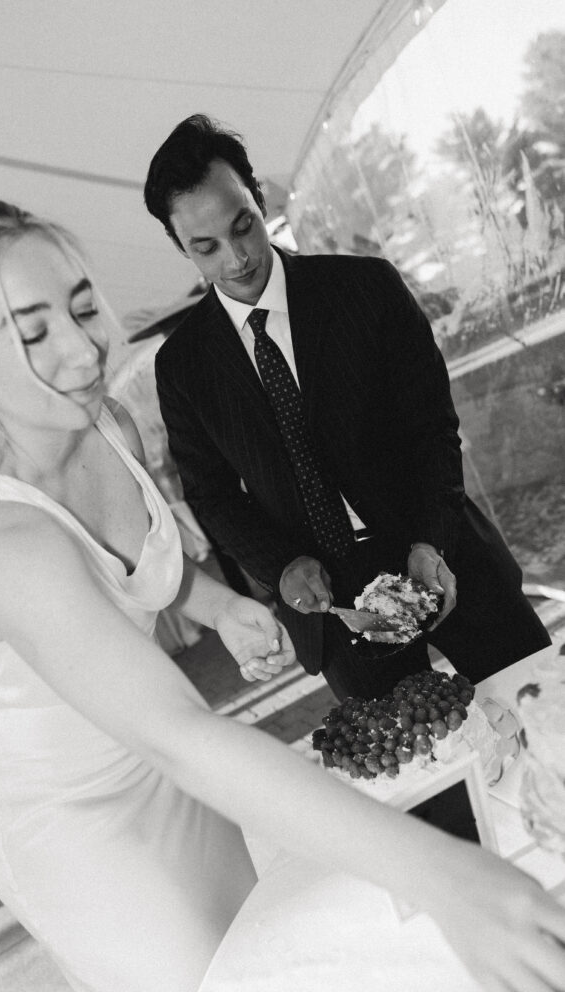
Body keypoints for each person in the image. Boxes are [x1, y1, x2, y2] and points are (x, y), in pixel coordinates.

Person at [0, 199, 565, 992]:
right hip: (75, 820)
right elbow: (180, 734)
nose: (79, 348)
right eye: (30, 334)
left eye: (79, 305)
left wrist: (216, 607)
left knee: (264, 970)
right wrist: (443, 876)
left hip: (170, 767)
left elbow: (144, 574)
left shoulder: (102, 422)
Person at [144, 113, 551, 702]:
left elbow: (432, 428)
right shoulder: (182, 367)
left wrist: (430, 541)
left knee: (541, 716)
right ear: (180, 246)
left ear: (259, 201)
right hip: (333, 608)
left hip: (443, 552)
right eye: (206, 247)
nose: (236, 259)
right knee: (416, 774)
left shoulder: (366, 288)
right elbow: (211, 494)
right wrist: (281, 566)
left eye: (244, 227)